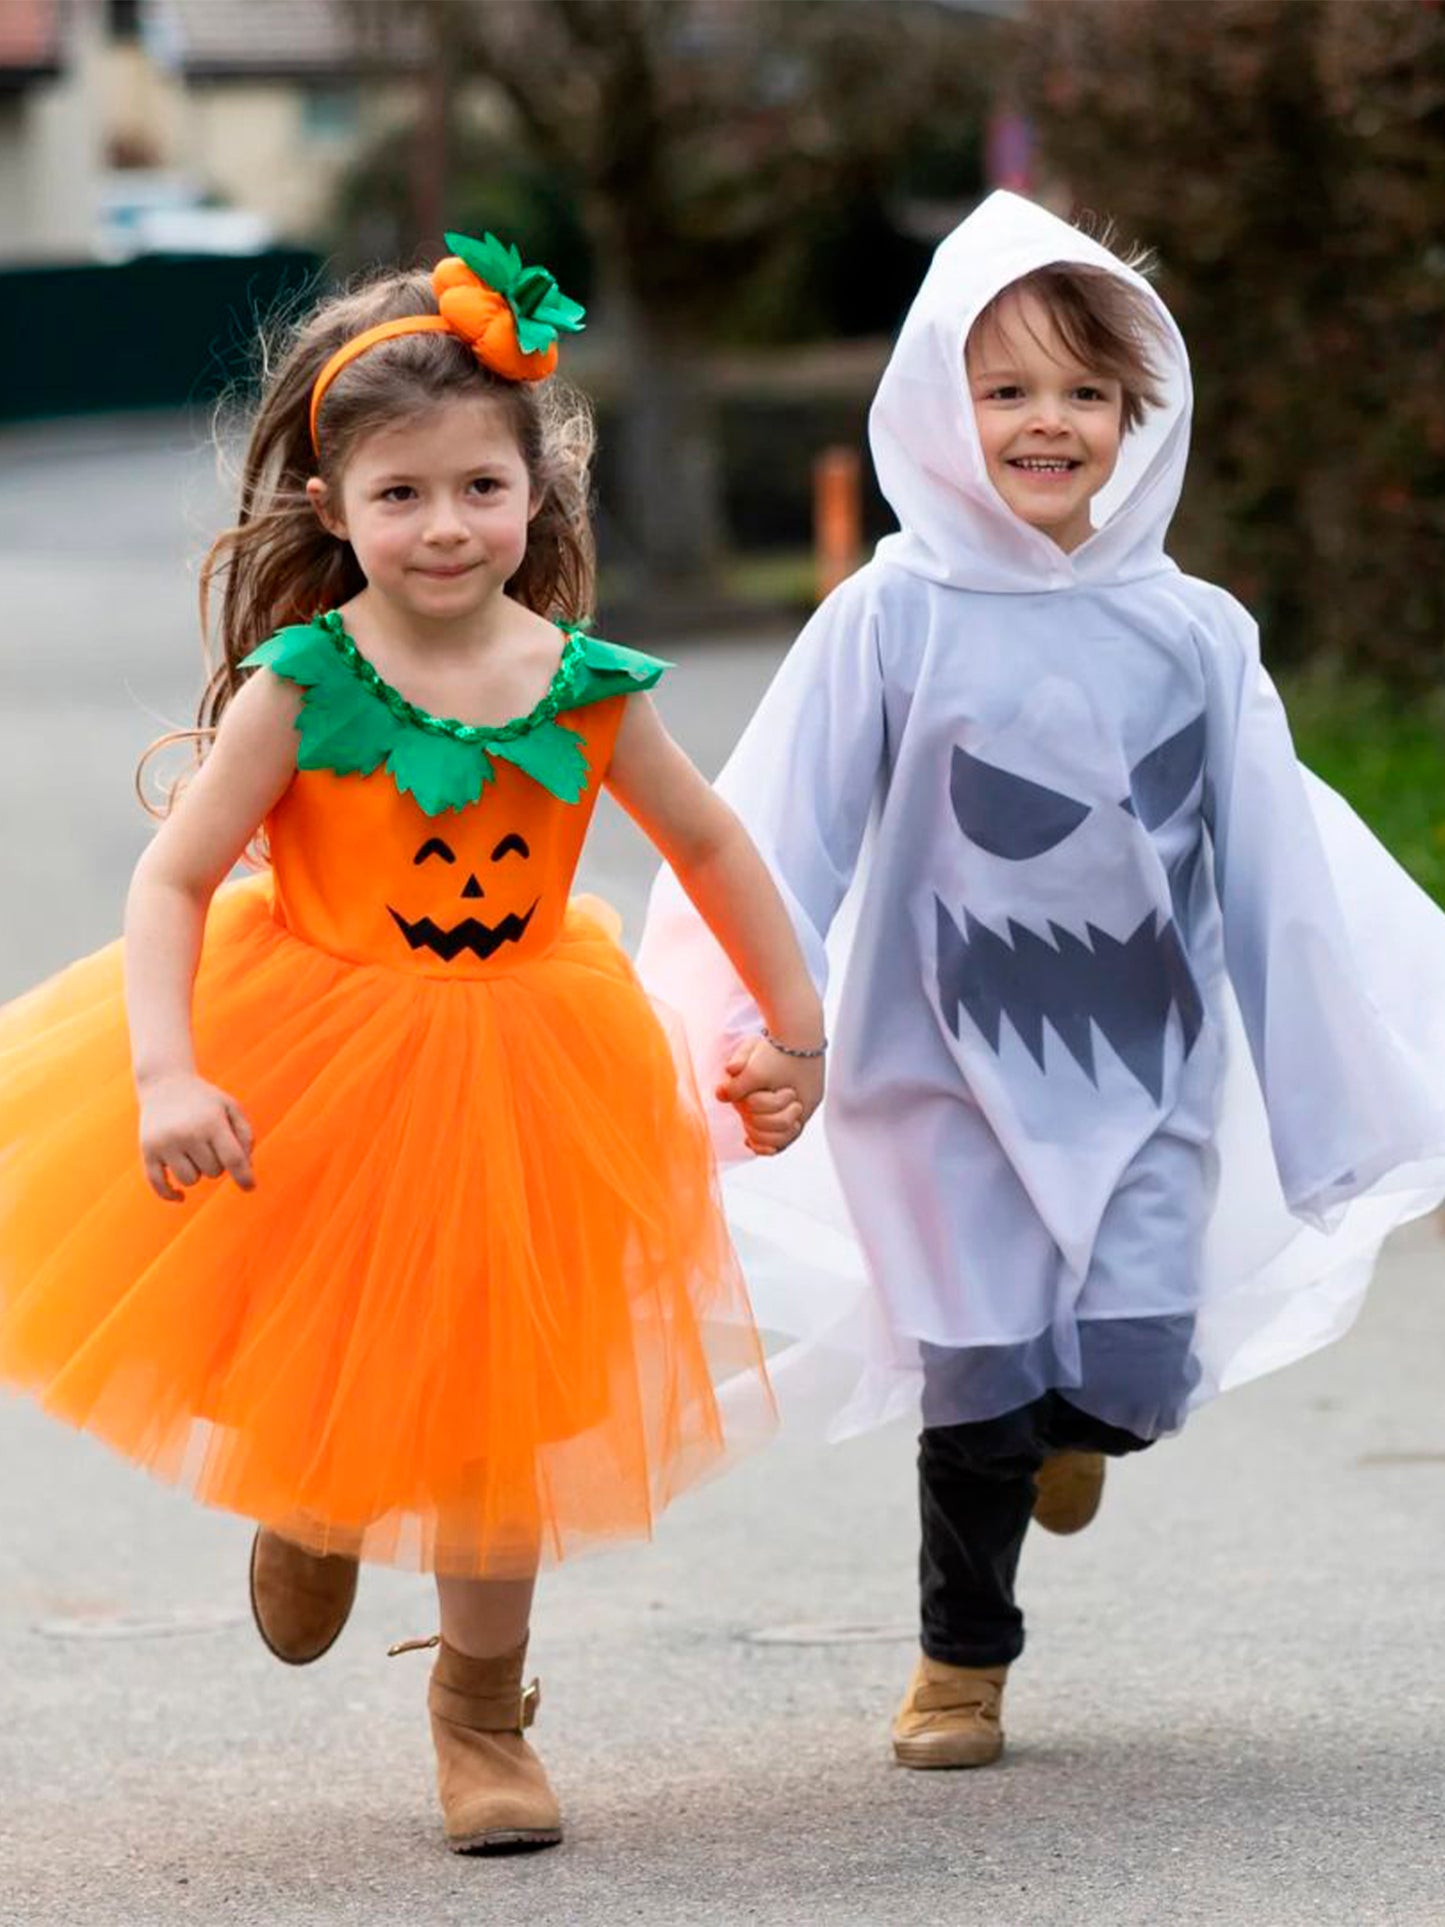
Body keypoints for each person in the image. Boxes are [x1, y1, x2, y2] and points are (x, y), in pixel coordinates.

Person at [0, 231, 824, 1853]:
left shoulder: (586, 690)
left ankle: (478, 1706)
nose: (443, 526)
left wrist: (795, 1029)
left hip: (528, 1062)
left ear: (537, 498)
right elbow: (173, 880)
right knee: (320, 1329)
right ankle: (309, 1502)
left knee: (495, 1406)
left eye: (476, 489)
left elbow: (714, 846)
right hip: (307, 1039)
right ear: (333, 509)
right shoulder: (300, 689)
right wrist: (170, 1069)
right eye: (401, 495)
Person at [638, 191, 1445, 1771]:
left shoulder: (1196, 637)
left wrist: (1336, 1108)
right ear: (942, 404)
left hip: (1144, 1074)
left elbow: (1279, 877)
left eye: (1083, 390)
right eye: (1005, 389)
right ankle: (961, 1664)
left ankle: (1078, 1428)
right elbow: (775, 832)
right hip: (926, 1076)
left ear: (1140, 415)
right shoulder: (889, 618)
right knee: (977, 1374)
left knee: (1128, 1378)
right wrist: (745, 1033)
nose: (1046, 422)